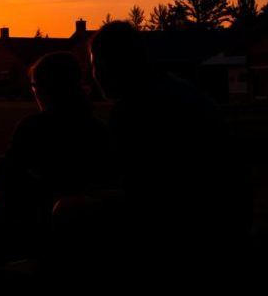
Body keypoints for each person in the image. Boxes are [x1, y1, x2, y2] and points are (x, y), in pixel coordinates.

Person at [88, 21, 251, 289]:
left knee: (71, 213)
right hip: (231, 222)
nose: (92, 75)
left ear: (106, 66)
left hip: (185, 232)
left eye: (94, 65)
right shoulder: (183, 92)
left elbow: (141, 190)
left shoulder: (133, 109)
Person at [0, 52, 111, 265]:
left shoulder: (34, 126)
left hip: (43, 214)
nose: (35, 93)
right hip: (90, 224)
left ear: (44, 88)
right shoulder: (97, 127)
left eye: (34, 87)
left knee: (5, 187)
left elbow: (6, 174)